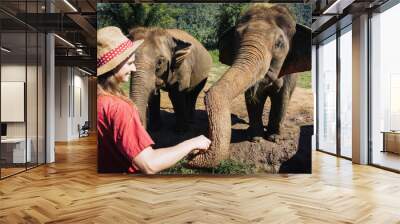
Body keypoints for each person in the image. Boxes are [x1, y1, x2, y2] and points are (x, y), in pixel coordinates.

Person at [97, 26, 211, 174]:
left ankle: (183, 119)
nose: (134, 70)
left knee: (187, 104)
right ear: (114, 65)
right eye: (131, 63)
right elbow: (149, 164)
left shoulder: (97, 99)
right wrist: (193, 143)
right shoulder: (120, 108)